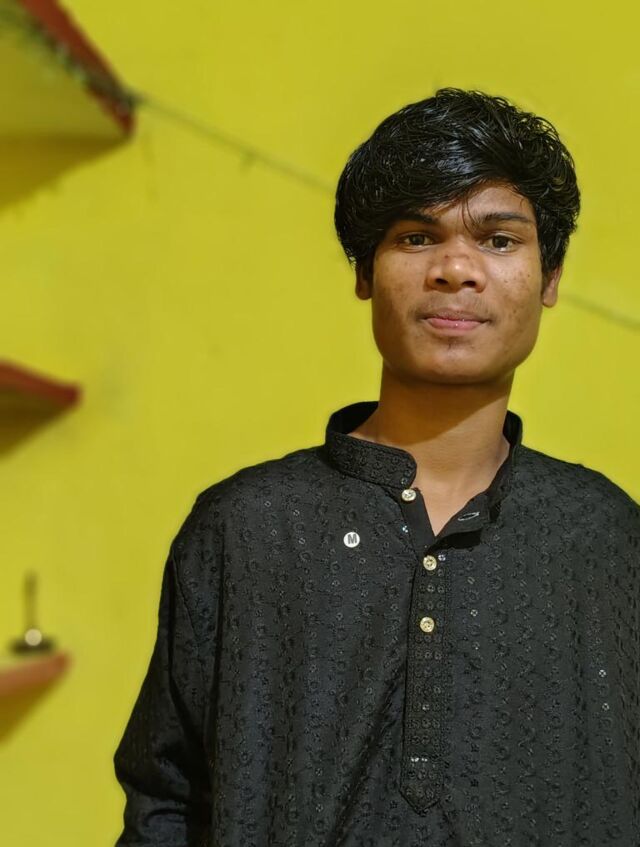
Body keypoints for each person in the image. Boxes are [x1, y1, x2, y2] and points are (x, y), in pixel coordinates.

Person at [113, 88, 639, 846]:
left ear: (550, 277)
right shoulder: (247, 528)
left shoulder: (609, 537)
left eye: (498, 240)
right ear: (364, 270)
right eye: (416, 237)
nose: (455, 268)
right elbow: (164, 803)